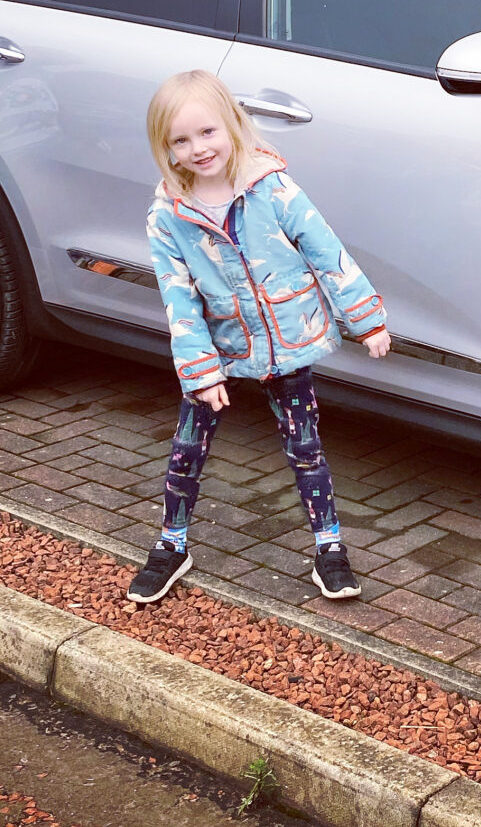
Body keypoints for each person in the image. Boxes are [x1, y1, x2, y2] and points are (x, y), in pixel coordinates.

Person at [126, 69, 391, 606]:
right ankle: (172, 543)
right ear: (165, 148)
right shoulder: (168, 218)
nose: (198, 148)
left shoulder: (271, 188)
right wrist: (201, 371)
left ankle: (329, 547)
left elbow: (324, 248)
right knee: (186, 450)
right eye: (180, 140)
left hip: (288, 341)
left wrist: (365, 319)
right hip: (221, 347)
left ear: (231, 126)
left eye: (207, 132)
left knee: (305, 445)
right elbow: (179, 299)